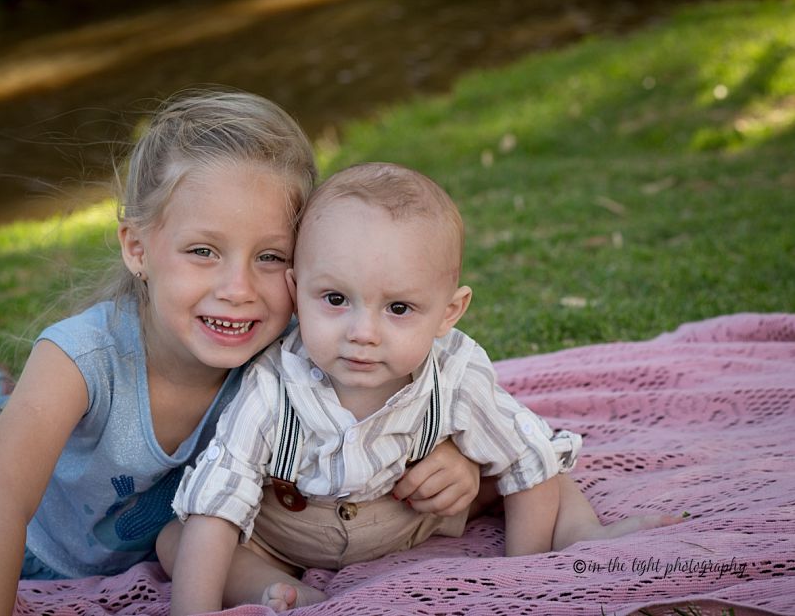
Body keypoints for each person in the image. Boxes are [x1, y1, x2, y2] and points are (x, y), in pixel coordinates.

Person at [0, 93, 483, 616]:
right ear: (139, 248)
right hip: (28, 543)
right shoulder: (83, 358)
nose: (238, 288)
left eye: (271, 257)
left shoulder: (295, 354)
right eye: (204, 250)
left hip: (161, 543)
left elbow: (394, 405)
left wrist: (455, 456)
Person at [164, 162, 683, 614]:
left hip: (412, 516)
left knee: (538, 459)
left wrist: (524, 577)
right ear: (298, 291)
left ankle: (578, 533)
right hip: (291, 535)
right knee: (180, 540)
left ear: (448, 313)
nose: (362, 332)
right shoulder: (273, 383)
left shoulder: (455, 371)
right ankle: (277, 590)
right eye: (336, 299)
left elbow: (525, 461)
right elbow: (218, 499)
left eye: (398, 309)